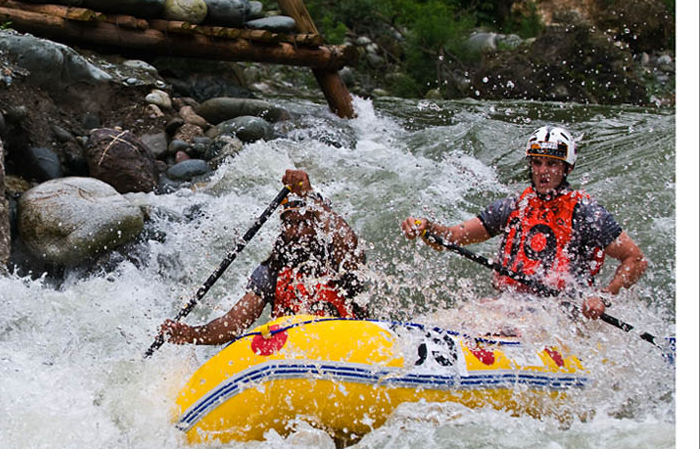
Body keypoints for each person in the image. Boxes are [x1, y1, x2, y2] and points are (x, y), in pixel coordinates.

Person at [401, 125, 648, 320]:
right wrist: (427, 227)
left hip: (560, 314)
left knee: (494, 322)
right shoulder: (513, 207)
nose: (543, 171)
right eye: (537, 162)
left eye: (552, 164)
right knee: (451, 318)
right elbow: (454, 236)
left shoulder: (586, 213)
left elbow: (635, 259)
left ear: (567, 169)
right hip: (512, 305)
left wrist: (602, 298)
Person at [160, 168, 368, 346]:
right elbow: (235, 322)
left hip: (346, 345)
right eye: (289, 223)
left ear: (318, 225)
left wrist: (309, 196)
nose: (295, 231)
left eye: (303, 223)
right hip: (298, 356)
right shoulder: (272, 270)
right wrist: (191, 334)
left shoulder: (339, 259)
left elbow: (348, 241)